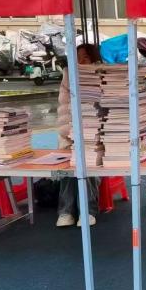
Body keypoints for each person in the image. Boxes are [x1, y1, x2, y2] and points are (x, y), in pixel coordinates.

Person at [55, 43, 102, 228]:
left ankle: (88, 211)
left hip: (95, 136)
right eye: (77, 58)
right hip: (69, 134)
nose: (80, 62)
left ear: (94, 60)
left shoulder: (101, 75)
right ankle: (66, 211)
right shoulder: (68, 76)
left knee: (87, 162)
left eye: (85, 58)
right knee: (69, 165)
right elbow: (65, 107)